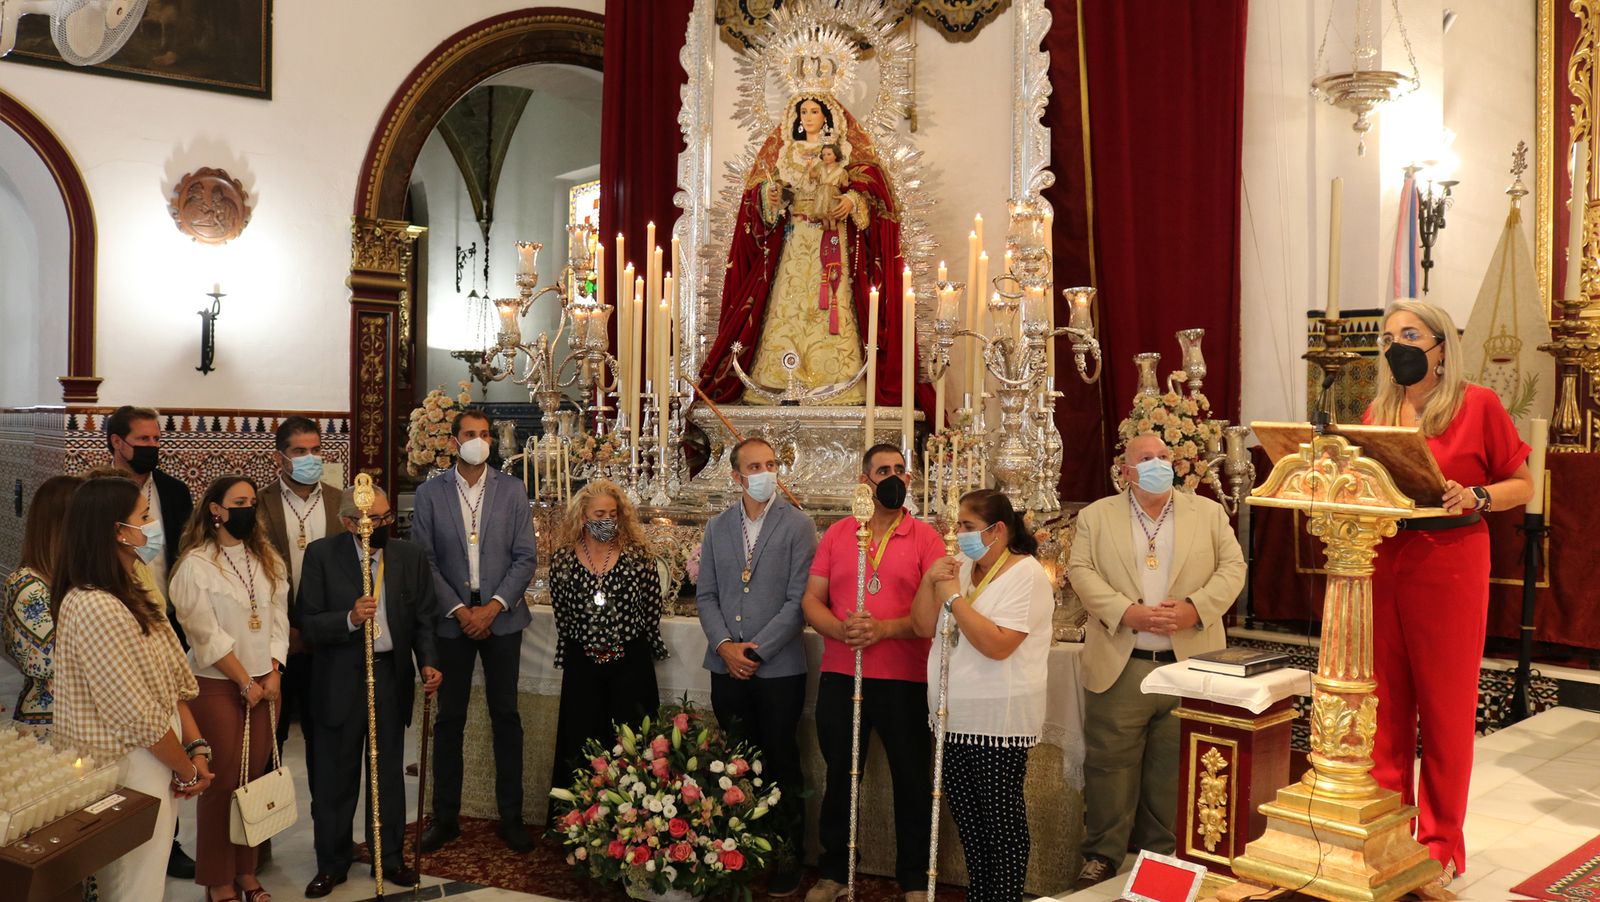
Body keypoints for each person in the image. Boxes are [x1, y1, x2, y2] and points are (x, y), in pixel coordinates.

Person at [1364, 298, 1532, 885]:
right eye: (1388, 338)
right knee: (1385, 705)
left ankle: (1439, 843)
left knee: (1444, 708)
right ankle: (1388, 834)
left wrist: (1478, 495)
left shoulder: (1477, 404)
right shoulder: (1379, 410)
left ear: (1441, 346)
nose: (1398, 347)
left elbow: (1521, 484)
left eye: (1410, 335)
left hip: (1451, 560)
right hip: (1384, 556)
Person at [1067, 432, 1246, 889]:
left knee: (1175, 768)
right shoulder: (1096, 516)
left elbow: (1233, 568)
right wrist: (1124, 611)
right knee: (1110, 766)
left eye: (1164, 456)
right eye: (1146, 458)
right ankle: (1102, 854)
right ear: (1126, 470)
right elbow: (1080, 571)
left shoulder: (1207, 513)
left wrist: (1195, 609)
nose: (1157, 463)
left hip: (1187, 663)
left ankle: (1163, 857)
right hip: (1122, 661)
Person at [698, 94, 926, 416]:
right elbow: (762, 197)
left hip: (831, 239)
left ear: (827, 117)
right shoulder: (785, 152)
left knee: (833, 302)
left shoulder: (844, 152)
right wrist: (770, 196)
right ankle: (777, 379)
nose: (807, 117)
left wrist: (852, 201)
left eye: (814, 111)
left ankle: (838, 379)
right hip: (794, 241)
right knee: (787, 302)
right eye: (802, 111)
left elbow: (870, 190)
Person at [52, 477, 211, 900]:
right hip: (130, 762)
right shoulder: (95, 604)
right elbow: (134, 714)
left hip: (158, 753)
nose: (153, 524)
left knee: (148, 878)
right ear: (117, 531)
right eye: (143, 516)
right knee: (131, 886)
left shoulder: (131, 588)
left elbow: (172, 682)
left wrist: (196, 747)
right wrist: (185, 768)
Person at [802, 443, 944, 902]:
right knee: (842, 776)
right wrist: (841, 631)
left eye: (900, 470)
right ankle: (835, 872)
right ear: (865, 481)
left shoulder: (925, 537)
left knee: (911, 779)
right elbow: (812, 600)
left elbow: (932, 614)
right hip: (844, 673)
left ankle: (915, 879)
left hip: (905, 677)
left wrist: (883, 629)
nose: (894, 477)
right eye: (883, 470)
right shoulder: (839, 533)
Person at [910, 489, 1053, 902]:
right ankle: (981, 894)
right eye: (958, 525)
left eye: (968, 526)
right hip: (952, 714)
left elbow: (997, 645)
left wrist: (953, 598)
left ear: (997, 530)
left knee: (1000, 823)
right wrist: (929, 580)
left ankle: (1004, 896)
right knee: (970, 823)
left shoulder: (1026, 574)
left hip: (997, 719)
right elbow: (921, 626)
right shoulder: (962, 565)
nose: (959, 534)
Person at [298, 486, 441, 897]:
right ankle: (332, 862)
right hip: (340, 679)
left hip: (390, 676)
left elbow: (424, 618)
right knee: (336, 777)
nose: (383, 525)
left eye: (386, 517)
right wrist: (348, 618)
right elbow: (308, 622)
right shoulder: (322, 556)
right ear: (348, 522)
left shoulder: (408, 556)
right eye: (373, 520)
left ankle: (389, 857)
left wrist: (428, 661)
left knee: (388, 776)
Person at [412, 408, 538, 853]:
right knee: (450, 720)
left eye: (485, 434)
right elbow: (424, 559)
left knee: (506, 716)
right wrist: (461, 610)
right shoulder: (430, 494)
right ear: (454, 442)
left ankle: (512, 818)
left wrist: (493, 607)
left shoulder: (512, 489)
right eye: (470, 434)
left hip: (502, 617)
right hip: (453, 619)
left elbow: (525, 556)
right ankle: (445, 817)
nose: (479, 441)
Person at [696, 438, 816, 895]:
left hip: (779, 668)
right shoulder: (718, 526)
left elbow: (798, 601)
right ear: (736, 477)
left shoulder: (798, 525)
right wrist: (726, 645)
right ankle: (738, 851)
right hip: (726, 665)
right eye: (754, 467)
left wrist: (757, 651)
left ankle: (787, 853)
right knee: (734, 761)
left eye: (771, 464)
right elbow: (707, 594)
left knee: (781, 758)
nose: (766, 473)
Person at [169, 476, 289, 902]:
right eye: (239, 502)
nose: (248, 510)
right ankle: (218, 880)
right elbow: (204, 633)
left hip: (265, 684)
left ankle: (246, 871)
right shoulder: (196, 565)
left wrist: (273, 670)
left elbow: (279, 617)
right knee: (221, 785)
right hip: (219, 685)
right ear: (215, 510)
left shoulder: (266, 558)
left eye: (252, 502)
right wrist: (243, 679)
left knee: (251, 782)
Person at [548, 479, 668, 805]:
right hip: (583, 665)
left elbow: (651, 609)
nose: (607, 521)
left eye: (613, 514)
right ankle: (578, 816)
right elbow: (563, 616)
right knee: (580, 742)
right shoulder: (563, 560)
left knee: (633, 743)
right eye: (599, 514)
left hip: (631, 663)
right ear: (583, 517)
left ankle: (637, 817)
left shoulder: (638, 556)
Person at [257, 417, 343, 780]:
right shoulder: (259, 503)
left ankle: (327, 815)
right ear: (279, 457)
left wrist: (321, 628)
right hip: (276, 640)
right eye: (299, 451)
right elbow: (255, 574)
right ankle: (265, 816)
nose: (310, 458)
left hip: (328, 639)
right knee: (270, 739)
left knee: (326, 738)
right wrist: (285, 630)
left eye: (316, 450)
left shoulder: (341, 500)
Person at [3, 475, 83, 728]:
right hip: (49, 723)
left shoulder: (74, 578)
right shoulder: (27, 586)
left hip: (80, 721)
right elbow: (50, 661)